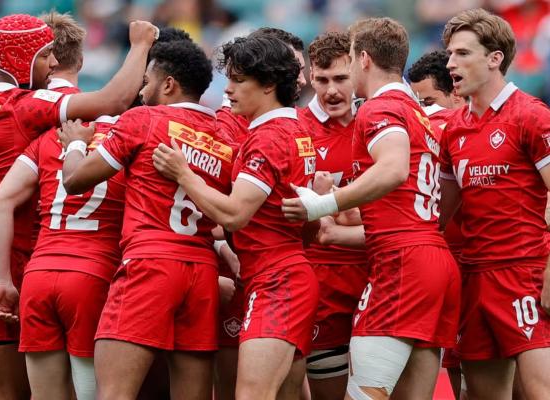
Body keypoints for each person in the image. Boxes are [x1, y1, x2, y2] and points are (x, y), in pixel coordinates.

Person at [0, 13, 156, 399]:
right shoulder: (25, 105)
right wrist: (141, 44)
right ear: (22, 59)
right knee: (10, 393)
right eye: (45, 56)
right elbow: (113, 100)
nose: (52, 64)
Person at [281, 17, 460, 400]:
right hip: (431, 258)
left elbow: (393, 169)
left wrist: (324, 203)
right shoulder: (418, 113)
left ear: (362, 59)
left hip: (400, 265)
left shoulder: (380, 108)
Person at [57, 38, 229, 400]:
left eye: (147, 81)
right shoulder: (224, 138)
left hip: (150, 263)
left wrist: (74, 144)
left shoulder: (144, 119)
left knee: (115, 393)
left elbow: (74, 181)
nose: (141, 90)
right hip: (201, 272)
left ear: (169, 84)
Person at [152, 35, 318, 400]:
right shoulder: (297, 130)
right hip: (282, 273)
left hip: (277, 281)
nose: (227, 89)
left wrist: (184, 175)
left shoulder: (268, 139)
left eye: (239, 80)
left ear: (269, 84)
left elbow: (235, 213)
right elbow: (310, 226)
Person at [441, 8, 550, 400]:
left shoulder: (531, 116)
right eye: (450, 54)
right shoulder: (454, 129)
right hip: (475, 277)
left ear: (494, 58)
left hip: (525, 273)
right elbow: (439, 216)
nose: (451, 64)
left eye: (462, 53)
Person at [297, 31, 369, 400]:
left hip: (380, 276)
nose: (332, 91)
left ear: (358, 70)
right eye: (322, 80)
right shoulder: (296, 129)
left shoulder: (379, 123)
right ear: (310, 77)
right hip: (322, 280)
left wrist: (330, 206)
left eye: (341, 78)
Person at [408, 49, 467, 400]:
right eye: (417, 103)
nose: (424, 112)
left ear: (456, 94)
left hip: (486, 264)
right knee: (459, 370)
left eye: (429, 102)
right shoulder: (416, 133)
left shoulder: (458, 128)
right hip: (445, 265)